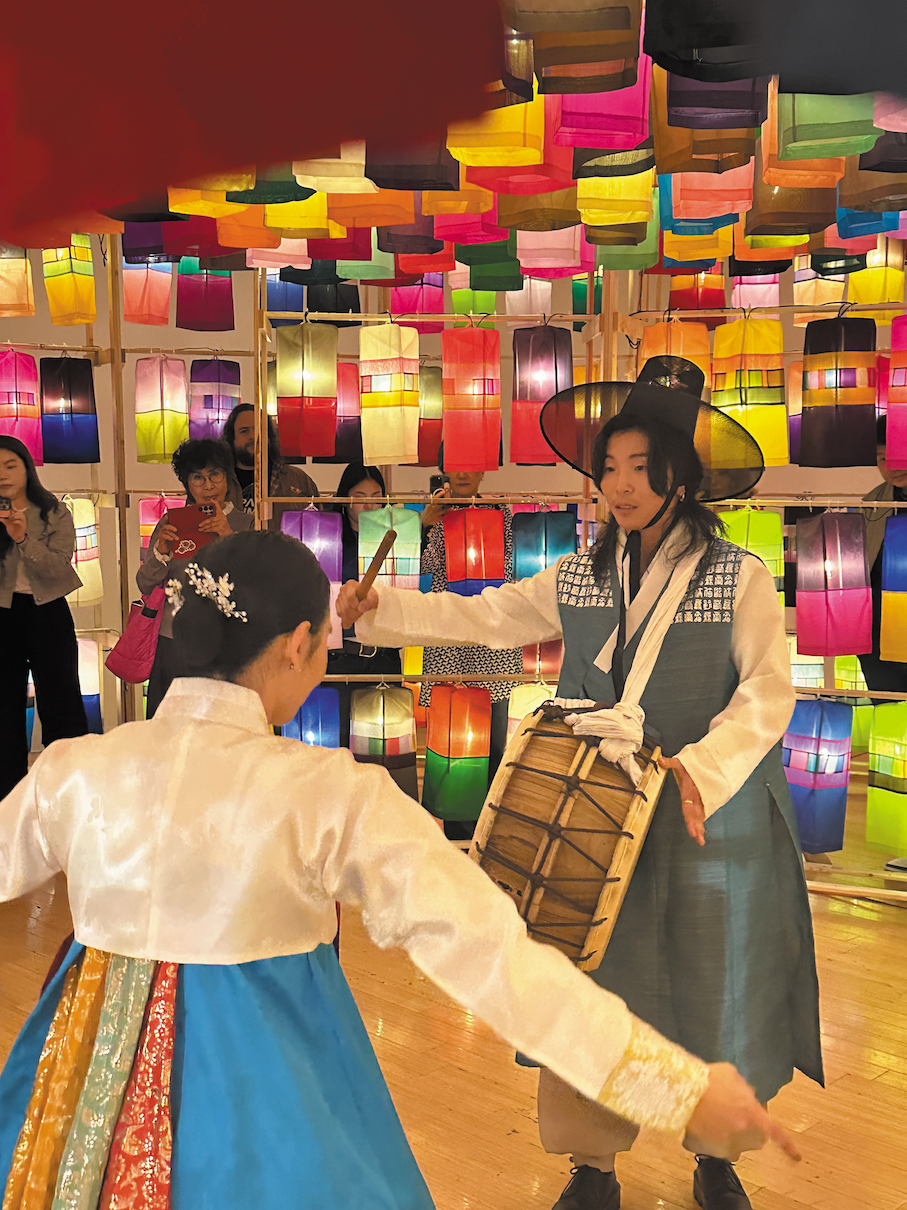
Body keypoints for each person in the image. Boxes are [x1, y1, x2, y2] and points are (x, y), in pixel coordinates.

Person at [0, 529, 798, 1210]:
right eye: (323, 643)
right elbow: (490, 954)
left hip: (80, 1075)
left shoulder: (74, 768)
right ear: (296, 645)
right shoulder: (325, 793)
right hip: (268, 1075)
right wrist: (674, 1087)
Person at [339, 360, 822, 1210]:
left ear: (680, 477)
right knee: (592, 986)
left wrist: (699, 770)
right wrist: (380, 612)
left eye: (641, 468)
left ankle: (717, 1154)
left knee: (716, 983)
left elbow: (766, 691)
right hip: (595, 821)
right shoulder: (579, 574)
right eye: (609, 468)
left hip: (706, 810)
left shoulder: (738, 574)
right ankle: (591, 1163)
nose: (620, 486)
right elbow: (485, 616)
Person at [418, 461, 522, 842]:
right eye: (455, 467)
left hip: (491, 643)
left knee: (493, 747)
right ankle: (458, 838)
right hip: (449, 641)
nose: (462, 474)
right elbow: (421, 571)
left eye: (470, 467)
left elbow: (509, 570)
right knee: (452, 743)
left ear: (483, 473)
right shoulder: (435, 514)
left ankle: (491, 838)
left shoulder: (499, 512)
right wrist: (425, 525)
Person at [137, 437, 252, 717]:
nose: (208, 485)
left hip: (226, 642)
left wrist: (228, 538)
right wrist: (162, 552)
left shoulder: (247, 523)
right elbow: (144, 583)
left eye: (215, 475)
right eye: (198, 478)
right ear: (187, 484)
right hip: (174, 640)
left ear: (227, 477)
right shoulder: (171, 523)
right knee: (170, 726)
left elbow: (254, 587)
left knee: (221, 726)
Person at [0, 436, 88, 800]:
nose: (3, 474)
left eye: (10, 465)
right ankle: (8, 798)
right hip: (3, 616)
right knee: (4, 708)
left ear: (27, 469)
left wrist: (23, 538)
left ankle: (65, 791)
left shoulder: (54, 511)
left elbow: (58, 568)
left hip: (47, 612)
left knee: (61, 701)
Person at [328, 464, 405, 764]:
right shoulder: (328, 540)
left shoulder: (399, 541)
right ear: (344, 499)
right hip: (340, 658)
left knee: (380, 757)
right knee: (337, 752)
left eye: (376, 497)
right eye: (359, 497)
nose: (368, 505)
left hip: (384, 656)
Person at [861, 413, 907, 873]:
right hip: (877, 637)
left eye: (896, 455)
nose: (891, 466)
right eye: (881, 457)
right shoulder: (872, 502)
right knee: (896, 730)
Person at [222, 402, 320, 530]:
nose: (253, 436)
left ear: (268, 435)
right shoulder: (218, 481)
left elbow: (318, 526)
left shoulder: (298, 479)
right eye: (244, 431)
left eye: (259, 429)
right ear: (232, 438)